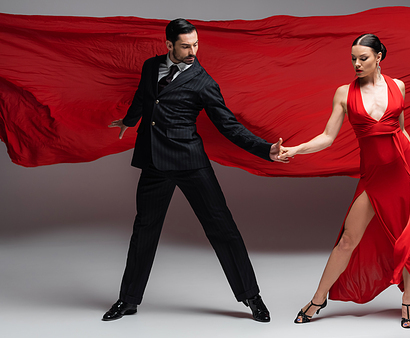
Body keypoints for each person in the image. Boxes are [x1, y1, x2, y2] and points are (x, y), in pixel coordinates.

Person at [279, 34, 410, 328]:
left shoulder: (399, 87)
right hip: (373, 176)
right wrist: (295, 149)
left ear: (379, 57)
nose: (356, 64)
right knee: (347, 240)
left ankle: (408, 299)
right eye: (353, 59)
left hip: (403, 169)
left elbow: (402, 131)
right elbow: (327, 137)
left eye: (363, 58)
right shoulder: (344, 93)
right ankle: (319, 297)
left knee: (405, 237)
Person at [104, 18, 284, 323]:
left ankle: (252, 297)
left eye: (196, 44)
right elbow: (145, 98)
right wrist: (129, 120)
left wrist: (264, 148)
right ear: (169, 45)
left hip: (189, 162)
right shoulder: (151, 66)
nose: (193, 51)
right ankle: (128, 299)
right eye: (186, 45)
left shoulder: (203, 81)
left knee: (223, 229)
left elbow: (228, 125)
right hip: (154, 162)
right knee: (143, 232)